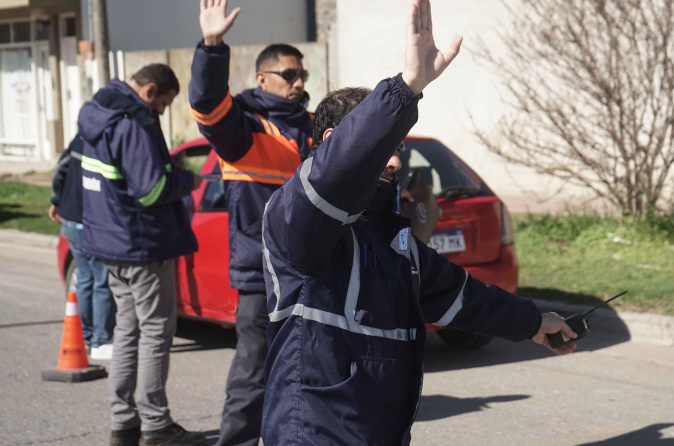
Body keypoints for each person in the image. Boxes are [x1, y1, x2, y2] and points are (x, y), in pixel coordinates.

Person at [260, 0, 579, 444]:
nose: (395, 160)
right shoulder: (296, 219)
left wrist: (533, 322)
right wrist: (407, 87)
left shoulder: (394, 239)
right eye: (385, 146)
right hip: (315, 433)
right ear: (334, 142)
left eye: (399, 148)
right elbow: (334, 177)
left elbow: (462, 297)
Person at [189, 1, 313, 445]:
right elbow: (205, 102)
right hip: (262, 278)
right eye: (290, 76)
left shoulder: (313, 129)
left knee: (308, 373)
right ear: (262, 79)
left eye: (304, 77)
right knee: (253, 375)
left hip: (311, 273)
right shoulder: (243, 127)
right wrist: (212, 45)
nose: (300, 83)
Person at [79, 64, 206, 446]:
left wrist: (167, 168)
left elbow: (119, 177)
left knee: (126, 331)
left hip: (108, 242)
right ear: (150, 90)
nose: (163, 112)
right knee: (154, 333)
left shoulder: (99, 111)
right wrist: (187, 180)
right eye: (164, 104)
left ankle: (124, 421)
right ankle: (156, 423)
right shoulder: (134, 121)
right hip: (141, 244)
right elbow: (150, 191)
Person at [50, 135, 116, 360]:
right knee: (101, 280)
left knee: (85, 278)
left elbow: (61, 170)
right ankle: (101, 340)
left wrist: (56, 200)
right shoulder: (109, 141)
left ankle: (85, 337)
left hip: (70, 219)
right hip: (94, 222)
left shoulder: (79, 139)